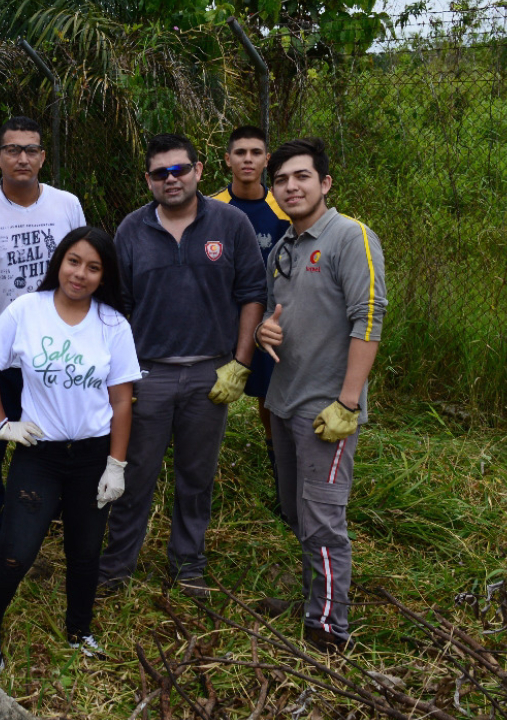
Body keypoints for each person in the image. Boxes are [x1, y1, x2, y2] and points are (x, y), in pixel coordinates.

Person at [96, 133, 266, 597]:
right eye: (159, 173)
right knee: (134, 474)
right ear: (147, 179)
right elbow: (117, 307)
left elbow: (252, 293)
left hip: (211, 375)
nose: (171, 180)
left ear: (199, 170)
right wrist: (119, 375)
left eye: (179, 170)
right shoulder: (131, 230)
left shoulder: (230, 224)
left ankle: (187, 566)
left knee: (196, 476)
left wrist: (239, 364)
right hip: (148, 373)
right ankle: (115, 568)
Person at [0, 226, 139, 673]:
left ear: (105, 276)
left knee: (85, 552)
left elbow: (122, 401)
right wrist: (1, 424)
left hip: (92, 455)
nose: (80, 274)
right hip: (38, 454)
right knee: (16, 549)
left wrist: (116, 465)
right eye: (73, 261)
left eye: (93, 267)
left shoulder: (112, 325)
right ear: (59, 261)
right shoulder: (28, 310)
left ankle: (79, 629)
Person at [256, 137, 387, 653]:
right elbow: (278, 313)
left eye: (301, 177)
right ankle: (317, 595)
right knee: (295, 510)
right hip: (284, 400)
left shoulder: (350, 237)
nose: (290, 187)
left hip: (325, 407)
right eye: (282, 180)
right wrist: (267, 329)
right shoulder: (284, 248)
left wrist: (348, 403)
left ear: (325, 182)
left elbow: (369, 316)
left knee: (322, 519)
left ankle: (329, 629)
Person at [0, 116, 86, 563]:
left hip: (57, 351)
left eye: (31, 149)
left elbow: (83, 266)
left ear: (42, 157)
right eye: (12, 149)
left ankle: (45, 518)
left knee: (54, 442)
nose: (22, 158)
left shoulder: (66, 205)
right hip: (1, 351)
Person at [213, 125, 290, 516]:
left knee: (270, 402)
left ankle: (284, 482)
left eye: (255, 153)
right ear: (227, 159)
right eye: (239, 152)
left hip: (266, 321)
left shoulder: (284, 208)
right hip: (216, 319)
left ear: (266, 160)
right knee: (206, 397)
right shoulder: (209, 206)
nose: (247, 159)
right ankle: (199, 477)